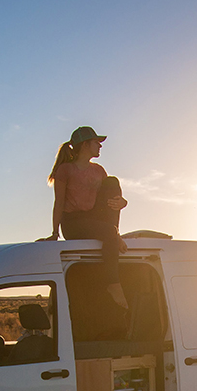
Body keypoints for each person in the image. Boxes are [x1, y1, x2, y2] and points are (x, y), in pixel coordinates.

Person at [47, 126, 130, 309]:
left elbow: (108, 198)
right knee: (108, 231)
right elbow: (59, 202)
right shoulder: (65, 170)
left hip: (94, 219)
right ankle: (113, 283)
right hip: (73, 223)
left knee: (112, 183)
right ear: (85, 145)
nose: (100, 146)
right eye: (96, 143)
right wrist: (54, 233)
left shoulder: (99, 170)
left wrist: (122, 202)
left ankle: (114, 234)